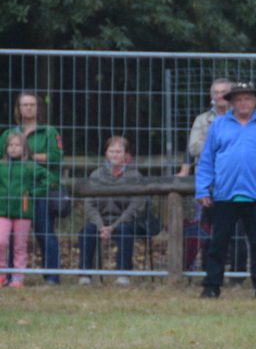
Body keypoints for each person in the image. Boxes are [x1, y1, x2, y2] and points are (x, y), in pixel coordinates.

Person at [195, 82, 256, 300]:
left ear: (255, 101)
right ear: (231, 102)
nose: (243, 103)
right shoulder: (219, 126)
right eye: (238, 99)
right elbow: (207, 160)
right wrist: (202, 188)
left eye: (247, 98)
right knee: (218, 243)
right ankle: (211, 286)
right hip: (223, 195)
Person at [78, 135, 157, 283]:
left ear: (126, 155)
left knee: (124, 230)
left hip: (127, 222)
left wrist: (113, 227)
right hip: (101, 222)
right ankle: (85, 274)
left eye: (118, 151)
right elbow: (89, 206)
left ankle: (123, 273)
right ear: (106, 153)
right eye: (111, 151)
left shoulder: (135, 176)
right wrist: (101, 227)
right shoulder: (96, 175)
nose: (114, 155)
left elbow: (136, 208)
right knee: (87, 230)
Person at [4, 91, 64, 283]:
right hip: (13, 194)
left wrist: (28, 156)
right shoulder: (9, 133)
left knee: (44, 233)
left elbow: (56, 157)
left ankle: (52, 277)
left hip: (39, 191)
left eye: (32, 104)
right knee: (9, 237)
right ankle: (9, 275)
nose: (28, 108)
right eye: (24, 105)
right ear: (18, 109)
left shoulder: (49, 132)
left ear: (38, 108)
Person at [177, 78, 233, 272]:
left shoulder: (242, 118)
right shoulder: (202, 119)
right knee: (206, 228)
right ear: (211, 96)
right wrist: (225, 143)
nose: (220, 96)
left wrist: (208, 140)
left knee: (235, 229)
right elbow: (193, 147)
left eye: (224, 92)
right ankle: (208, 270)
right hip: (207, 182)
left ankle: (236, 273)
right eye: (216, 92)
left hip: (233, 180)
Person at [1, 130, 52, 287]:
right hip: (2, 211)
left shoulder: (30, 167)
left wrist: (34, 193)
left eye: (17, 145)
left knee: (20, 245)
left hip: (23, 212)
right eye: (11, 145)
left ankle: (18, 276)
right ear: (6, 147)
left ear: (24, 148)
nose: (14, 148)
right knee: (1, 241)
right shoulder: (1, 166)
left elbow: (49, 179)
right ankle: (2, 273)